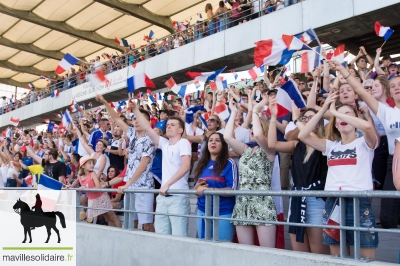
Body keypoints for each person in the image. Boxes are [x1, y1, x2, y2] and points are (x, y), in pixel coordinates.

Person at [298, 90, 379, 258]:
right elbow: (303, 134)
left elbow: (368, 126)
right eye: (339, 118)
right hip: (333, 202)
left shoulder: (364, 143)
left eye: (348, 115)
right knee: (337, 257)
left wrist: (335, 112)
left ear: (355, 119)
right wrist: (323, 110)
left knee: (366, 257)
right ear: (334, 124)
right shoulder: (331, 146)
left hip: (359, 202)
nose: (342, 119)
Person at [329, 60, 400, 229]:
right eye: (393, 86)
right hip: (395, 162)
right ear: (389, 92)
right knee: (388, 217)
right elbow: (360, 90)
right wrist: (343, 71)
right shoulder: (386, 112)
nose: (397, 87)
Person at [268, 101, 329, 254]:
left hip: (318, 201)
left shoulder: (326, 143)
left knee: (319, 254)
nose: (306, 120)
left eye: (310, 118)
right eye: (304, 118)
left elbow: (309, 136)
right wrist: (273, 118)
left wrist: (297, 120)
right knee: (299, 254)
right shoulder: (296, 145)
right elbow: (272, 144)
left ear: (319, 122)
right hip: (297, 199)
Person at [130, 99, 191, 237]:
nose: (168, 126)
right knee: (161, 238)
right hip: (163, 197)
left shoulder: (184, 142)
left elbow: (186, 165)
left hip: (178, 197)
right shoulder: (164, 143)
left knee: (178, 238)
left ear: (181, 130)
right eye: (168, 124)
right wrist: (135, 110)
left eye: (173, 125)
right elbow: (147, 128)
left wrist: (167, 184)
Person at [96, 96, 156, 232]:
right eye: (134, 119)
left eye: (139, 119)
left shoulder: (150, 139)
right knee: (131, 223)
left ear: (147, 122)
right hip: (130, 186)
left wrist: (127, 184)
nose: (135, 122)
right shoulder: (132, 134)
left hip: (143, 187)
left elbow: (143, 166)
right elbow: (117, 119)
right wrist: (106, 102)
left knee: (146, 225)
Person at [224, 98, 277, 247]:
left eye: (257, 126)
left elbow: (260, 136)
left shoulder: (269, 149)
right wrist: (233, 112)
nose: (253, 129)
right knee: (245, 252)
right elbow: (227, 137)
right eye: (252, 127)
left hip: (263, 201)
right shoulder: (245, 149)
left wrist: (254, 111)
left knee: (267, 253)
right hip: (243, 201)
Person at [194, 132, 238, 241]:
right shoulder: (202, 164)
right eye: (210, 140)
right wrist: (197, 188)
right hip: (202, 211)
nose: (213, 142)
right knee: (203, 248)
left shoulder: (230, 163)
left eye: (217, 140)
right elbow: (196, 189)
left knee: (223, 249)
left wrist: (209, 190)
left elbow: (232, 189)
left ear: (223, 145)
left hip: (223, 213)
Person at [67, 156, 121, 227]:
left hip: (101, 198)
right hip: (92, 199)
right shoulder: (80, 176)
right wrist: (70, 186)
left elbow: (98, 186)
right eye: (89, 163)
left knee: (112, 217)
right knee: (108, 218)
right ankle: (112, 234)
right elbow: (76, 181)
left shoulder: (92, 174)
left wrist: (85, 187)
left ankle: (121, 233)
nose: (92, 165)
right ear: (83, 166)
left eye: (92, 163)